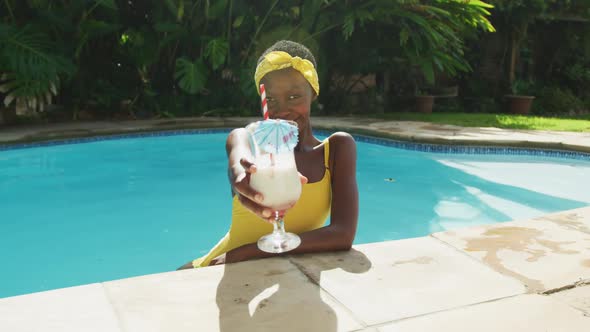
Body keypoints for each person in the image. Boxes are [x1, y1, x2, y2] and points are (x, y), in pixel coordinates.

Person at [179, 40, 358, 269]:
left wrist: (248, 253)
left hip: (236, 258)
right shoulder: (245, 139)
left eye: (294, 97)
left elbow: (342, 234)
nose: (282, 110)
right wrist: (241, 176)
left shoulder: (336, 149)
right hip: (218, 266)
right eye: (271, 99)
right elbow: (238, 158)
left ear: (313, 93)